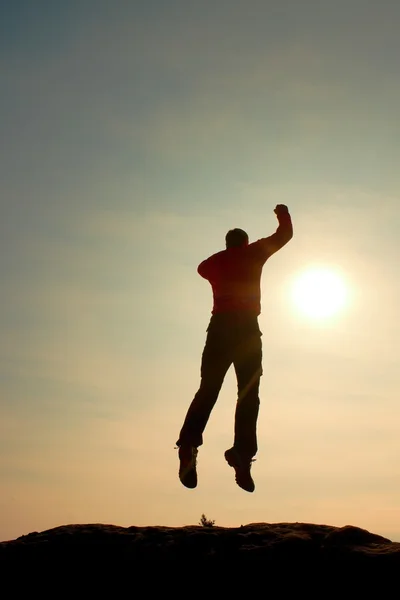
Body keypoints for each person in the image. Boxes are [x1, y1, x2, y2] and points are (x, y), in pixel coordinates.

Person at [176, 204, 293, 492]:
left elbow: (201, 268)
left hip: (218, 329)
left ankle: (189, 443)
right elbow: (285, 235)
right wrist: (283, 214)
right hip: (246, 331)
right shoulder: (254, 253)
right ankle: (242, 453)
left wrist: (226, 258)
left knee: (209, 388)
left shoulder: (215, 262)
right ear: (245, 242)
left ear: (227, 244)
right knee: (248, 393)